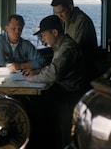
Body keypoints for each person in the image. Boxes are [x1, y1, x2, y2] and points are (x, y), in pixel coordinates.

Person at [22, 15, 91, 149]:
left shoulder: (67, 48)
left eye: (44, 35)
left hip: (70, 97)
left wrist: (30, 79)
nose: (43, 39)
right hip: (66, 94)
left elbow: (53, 73)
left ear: (55, 32)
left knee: (67, 134)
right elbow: (55, 67)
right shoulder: (61, 45)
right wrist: (39, 71)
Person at [51, 0, 100, 80]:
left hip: (83, 73)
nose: (59, 16)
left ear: (70, 7)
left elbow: (74, 50)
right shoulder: (68, 19)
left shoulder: (81, 21)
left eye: (61, 12)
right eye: (56, 13)